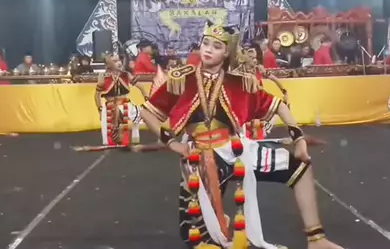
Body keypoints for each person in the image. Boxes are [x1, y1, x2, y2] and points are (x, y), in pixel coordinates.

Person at [140, 22, 343, 249]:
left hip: (236, 150)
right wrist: (171, 143)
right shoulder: (182, 79)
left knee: (299, 167)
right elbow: (146, 111)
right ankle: (221, 223)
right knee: (193, 237)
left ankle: (316, 239)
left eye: (217, 46)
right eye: (206, 43)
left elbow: (278, 105)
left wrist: (299, 139)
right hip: (199, 157)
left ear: (226, 52)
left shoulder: (240, 82)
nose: (208, 49)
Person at [95, 54, 148, 147]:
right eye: (115, 61)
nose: (119, 63)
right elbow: (96, 95)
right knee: (109, 136)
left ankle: (134, 138)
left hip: (126, 104)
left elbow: (141, 87)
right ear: (108, 65)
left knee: (144, 114)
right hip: (110, 107)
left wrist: (147, 101)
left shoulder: (126, 74)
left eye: (119, 60)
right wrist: (99, 109)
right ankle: (115, 138)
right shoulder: (103, 77)